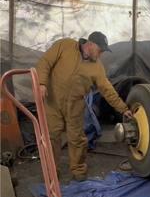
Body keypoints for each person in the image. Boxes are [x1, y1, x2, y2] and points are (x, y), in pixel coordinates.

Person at [36, 31, 132, 181]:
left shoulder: (97, 67)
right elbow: (45, 62)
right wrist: (41, 83)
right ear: (91, 44)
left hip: (75, 104)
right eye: (100, 50)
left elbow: (107, 89)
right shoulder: (65, 45)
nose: (100, 55)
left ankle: (78, 169)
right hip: (52, 100)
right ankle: (51, 172)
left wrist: (123, 108)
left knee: (77, 138)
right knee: (51, 136)